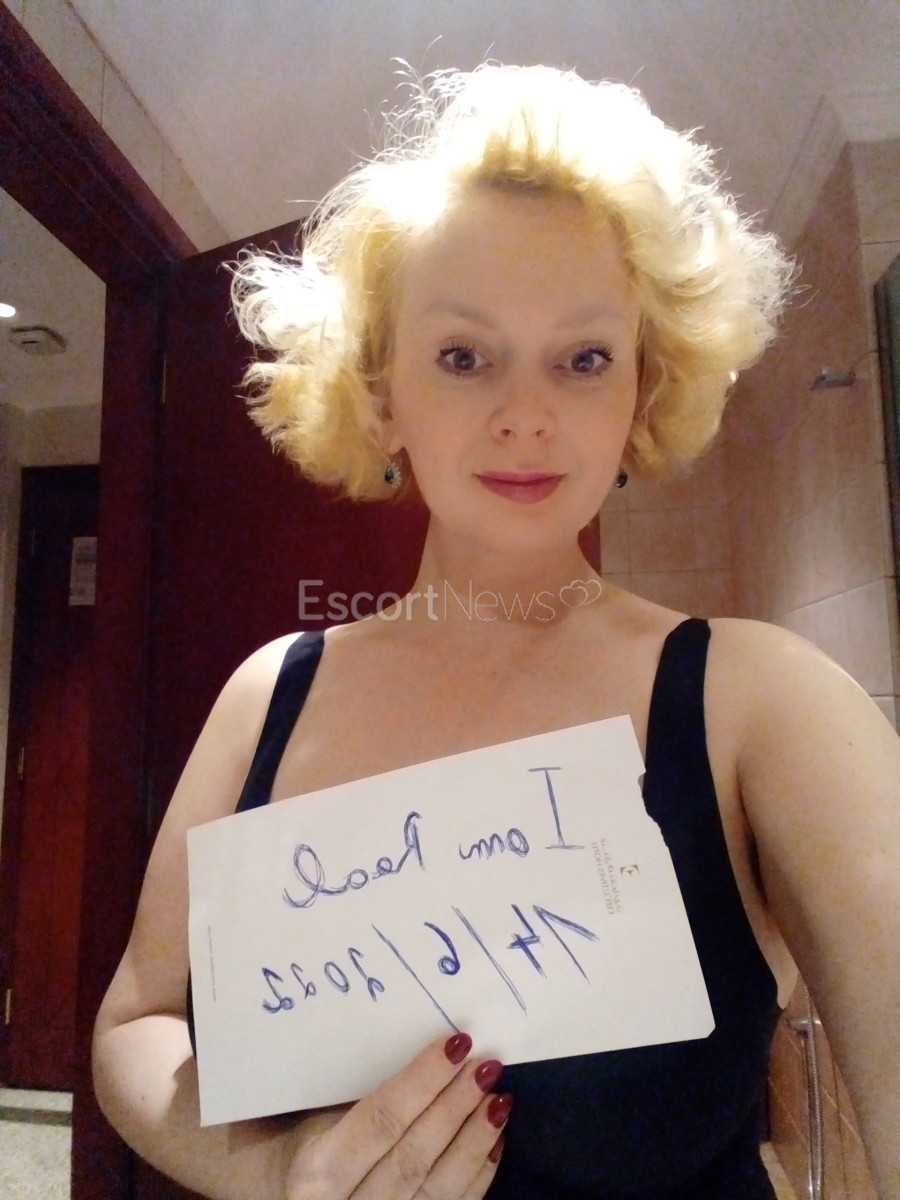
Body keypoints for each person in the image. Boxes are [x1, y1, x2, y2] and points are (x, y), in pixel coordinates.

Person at [92, 64, 900, 1200]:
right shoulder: (268, 693)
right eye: (464, 356)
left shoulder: (763, 703)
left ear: (640, 391)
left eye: (585, 358)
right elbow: (136, 1022)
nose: (527, 413)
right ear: (383, 396)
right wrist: (281, 1177)